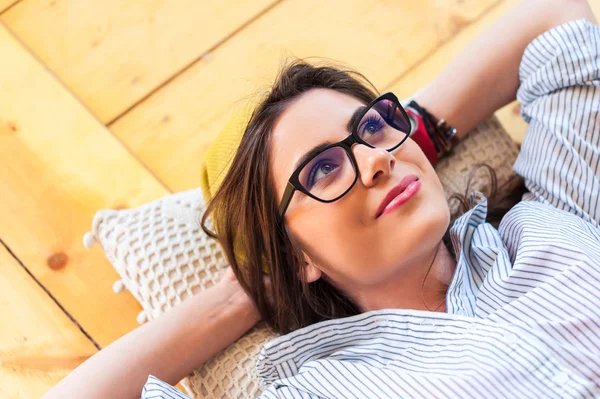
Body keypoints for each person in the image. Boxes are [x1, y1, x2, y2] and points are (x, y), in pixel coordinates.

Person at [43, 0, 600, 398]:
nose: (376, 159)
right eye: (323, 169)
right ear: (296, 256)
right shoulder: (320, 389)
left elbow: (554, 15)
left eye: (374, 125)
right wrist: (243, 296)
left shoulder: (553, 212)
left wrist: (412, 137)